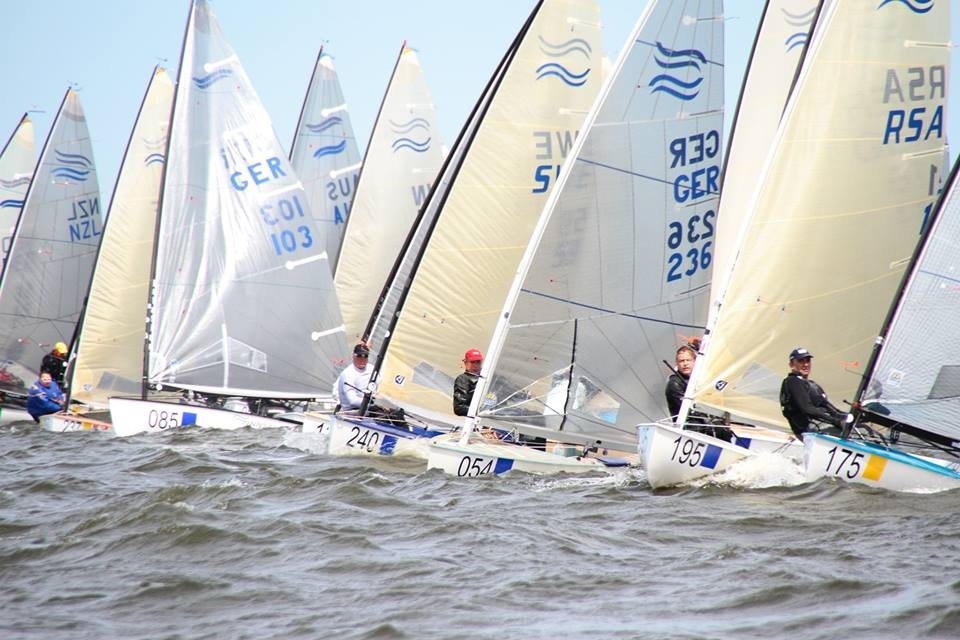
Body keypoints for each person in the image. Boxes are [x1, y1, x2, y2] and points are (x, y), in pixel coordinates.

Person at [779, 347, 846, 438]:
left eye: (808, 361)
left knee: (860, 427)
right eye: (801, 361)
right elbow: (807, 408)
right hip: (811, 430)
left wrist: (845, 416)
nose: (806, 364)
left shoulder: (811, 384)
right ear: (791, 364)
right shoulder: (792, 381)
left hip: (824, 424)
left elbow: (830, 408)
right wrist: (836, 421)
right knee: (855, 433)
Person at [334, 343, 373, 411]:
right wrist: (373, 403)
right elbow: (353, 401)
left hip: (369, 409)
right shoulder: (348, 374)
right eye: (359, 356)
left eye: (365, 356)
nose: (362, 359)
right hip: (351, 411)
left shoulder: (372, 369)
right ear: (353, 356)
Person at [665, 344, 696, 419]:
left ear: (694, 361)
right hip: (688, 424)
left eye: (688, 360)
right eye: (681, 361)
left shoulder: (697, 379)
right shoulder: (674, 383)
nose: (685, 364)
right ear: (677, 363)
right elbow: (688, 410)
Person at [453, 348, 483, 416]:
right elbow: (459, 408)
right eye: (472, 362)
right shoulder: (463, 379)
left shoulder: (488, 378)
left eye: (478, 361)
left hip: (492, 418)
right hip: (474, 419)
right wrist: (479, 412)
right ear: (465, 363)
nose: (475, 365)